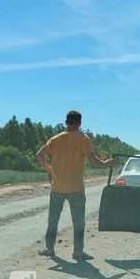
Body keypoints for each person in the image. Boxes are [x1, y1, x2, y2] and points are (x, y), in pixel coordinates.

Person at [35, 110, 113, 260]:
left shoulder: (56, 139)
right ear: (79, 123)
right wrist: (106, 164)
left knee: (53, 220)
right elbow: (94, 161)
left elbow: (39, 155)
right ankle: (78, 252)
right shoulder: (83, 138)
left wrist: (49, 169)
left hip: (57, 188)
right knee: (78, 222)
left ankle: (49, 249)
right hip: (76, 188)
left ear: (66, 122)